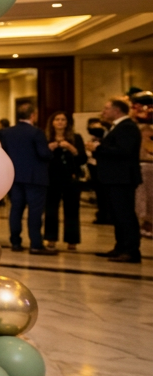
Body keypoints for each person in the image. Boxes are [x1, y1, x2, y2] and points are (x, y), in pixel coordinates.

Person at [0, 102, 53, 255]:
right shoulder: (36, 132)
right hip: (35, 178)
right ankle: (36, 244)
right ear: (33, 115)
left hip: (14, 177)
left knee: (16, 210)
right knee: (35, 212)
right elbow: (43, 154)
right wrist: (50, 151)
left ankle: (15, 242)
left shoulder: (6, 133)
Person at [92, 98, 143, 263]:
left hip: (122, 178)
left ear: (117, 110)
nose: (104, 111)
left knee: (125, 214)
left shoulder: (127, 127)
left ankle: (130, 250)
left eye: (107, 108)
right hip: (115, 178)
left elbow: (123, 151)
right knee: (117, 214)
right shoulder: (117, 127)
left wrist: (98, 148)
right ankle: (120, 247)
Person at [43, 112, 86, 250]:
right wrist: (49, 149)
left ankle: (72, 240)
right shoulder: (46, 138)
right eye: (57, 119)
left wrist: (71, 148)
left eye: (63, 120)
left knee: (72, 209)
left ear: (67, 123)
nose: (60, 122)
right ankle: (50, 238)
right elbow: (41, 157)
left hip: (70, 177)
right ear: (52, 122)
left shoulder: (76, 138)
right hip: (51, 178)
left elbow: (82, 159)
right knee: (51, 209)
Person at [87, 116, 110, 224]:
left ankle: (106, 214)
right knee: (99, 192)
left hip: (101, 166)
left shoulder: (105, 138)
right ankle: (102, 213)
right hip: (93, 165)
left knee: (104, 192)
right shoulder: (92, 139)